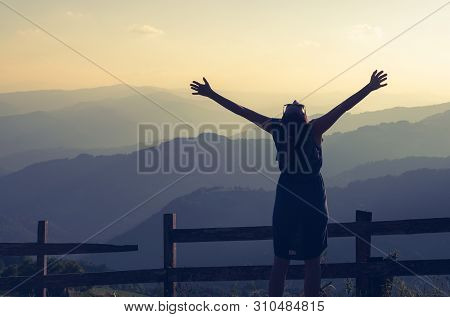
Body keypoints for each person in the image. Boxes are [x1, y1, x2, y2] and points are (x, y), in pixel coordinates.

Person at [190, 70, 388, 296]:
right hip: (312, 197)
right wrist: (368, 88)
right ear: (302, 116)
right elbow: (342, 108)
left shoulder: (277, 129)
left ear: (285, 116)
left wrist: (212, 94)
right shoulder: (314, 129)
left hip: (286, 196)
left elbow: (242, 111)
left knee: (281, 261)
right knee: (312, 262)